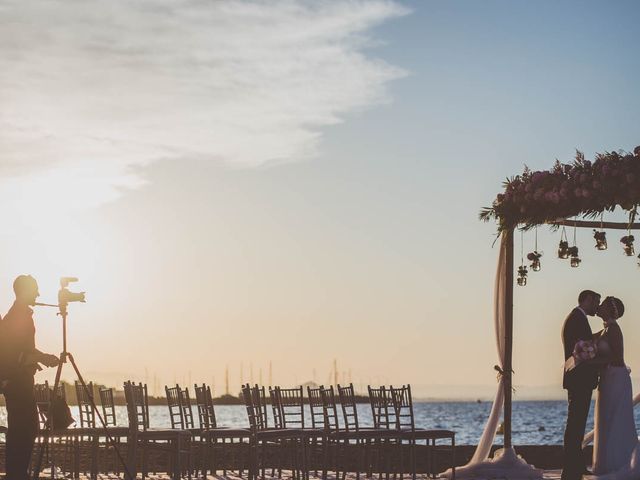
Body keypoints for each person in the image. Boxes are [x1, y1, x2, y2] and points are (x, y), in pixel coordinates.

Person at [1, 275, 59, 480]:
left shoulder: (21, 315)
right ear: (24, 291)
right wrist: (42, 357)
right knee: (23, 430)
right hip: (17, 383)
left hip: (19, 382)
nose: (38, 294)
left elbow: (25, 350)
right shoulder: (18, 317)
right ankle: (16, 475)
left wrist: (42, 356)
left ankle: (17, 474)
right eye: (35, 289)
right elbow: (18, 356)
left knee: (24, 429)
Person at [590, 296, 640, 479]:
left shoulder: (614, 330)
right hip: (607, 378)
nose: (599, 306)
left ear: (611, 310)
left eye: (602, 304)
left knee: (616, 420)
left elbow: (617, 358)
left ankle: (618, 462)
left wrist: (592, 362)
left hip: (616, 379)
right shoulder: (604, 330)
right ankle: (607, 463)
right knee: (606, 419)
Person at [561, 289, 601, 480]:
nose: (597, 306)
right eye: (596, 302)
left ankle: (575, 466)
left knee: (576, 424)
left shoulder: (576, 318)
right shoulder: (577, 318)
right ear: (587, 299)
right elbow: (583, 350)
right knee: (575, 424)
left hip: (578, 380)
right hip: (579, 379)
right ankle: (570, 470)